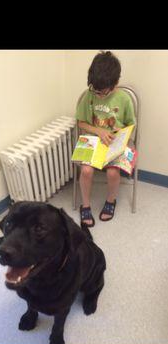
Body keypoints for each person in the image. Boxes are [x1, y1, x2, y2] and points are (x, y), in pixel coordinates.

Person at [76, 51, 136, 227]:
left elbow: (131, 125)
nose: (99, 95)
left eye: (104, 92)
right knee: (86, 171)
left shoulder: (124, 99)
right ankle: (85, 205)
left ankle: (111, 201)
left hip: (115, 142)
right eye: (96, 90)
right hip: (92, 139)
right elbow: (81, 122)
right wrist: (98, 131)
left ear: (115, 83)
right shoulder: (89, 95)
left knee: (112, 172)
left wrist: (121, 131)